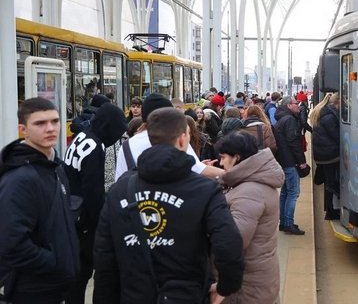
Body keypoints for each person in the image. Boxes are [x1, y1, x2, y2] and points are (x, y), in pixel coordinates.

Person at [93, 107, 244, 303]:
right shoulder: (205, 190)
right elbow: (229, 244)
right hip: (188, 295)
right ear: (182, 139)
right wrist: (226, 287)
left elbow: (104, 257)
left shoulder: (120, 190)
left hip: (133, 294)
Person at [0, 98, 80, 303]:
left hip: (54, 288)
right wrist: (56, 263)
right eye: (40, 123)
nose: (50, 128)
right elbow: (12, 243)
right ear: (23, 129)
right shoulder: (20, 178)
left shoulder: (55, 167)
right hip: (32, 291)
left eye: (55, 121)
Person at [63, 103, 127, 304]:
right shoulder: (95, 146)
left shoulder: (82, 136)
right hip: (83, 220)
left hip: (70, 210)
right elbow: (93, 191)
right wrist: (100, 221)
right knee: (83, 271)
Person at [216, 131, 283, 304]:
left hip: (246, 287)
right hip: (259, 278)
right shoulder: (252, 183)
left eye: (223, 157)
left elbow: (234, 239)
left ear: (237, 158)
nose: (220, 162)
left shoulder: (249, 192)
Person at [115, 93, 225, 181]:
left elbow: (120, 180)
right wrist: (231, 175)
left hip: (138, 205)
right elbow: (200, 170)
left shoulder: (126, 146)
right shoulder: (174, 138)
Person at [274, 96, 308, 235]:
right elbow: (293, 142)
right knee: (293, 192)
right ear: (289, 105)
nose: (298, 106)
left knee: (285, 192)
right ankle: (288, 223)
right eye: (296, 103)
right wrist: (301, 161)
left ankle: (283, 222)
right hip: (290, 161)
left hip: (283, 160)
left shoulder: (282, 118)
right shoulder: (290, 120)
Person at [310, 93, 341, 220]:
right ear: (336, 103)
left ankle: (330, 209)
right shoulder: (329, 116)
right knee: (330, 182)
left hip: (322, 153)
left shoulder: (321, 112)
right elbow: (336, 135)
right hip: (330, 154)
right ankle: (330, 211)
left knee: (328, 181)